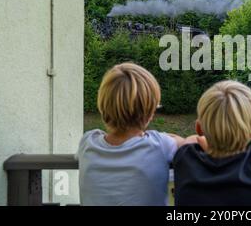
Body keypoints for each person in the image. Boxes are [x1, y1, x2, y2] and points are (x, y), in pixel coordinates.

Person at [76, 63, 194, 206]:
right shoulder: (160, 145)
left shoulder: (88, 143)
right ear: (150, 113)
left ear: (102, 107)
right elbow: (188, 143)